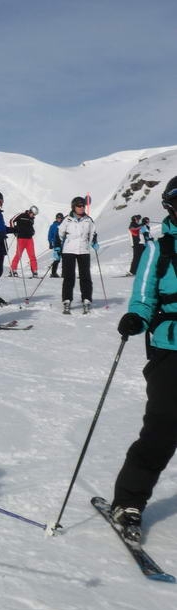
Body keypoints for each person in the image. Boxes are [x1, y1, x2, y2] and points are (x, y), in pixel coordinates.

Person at [108, 176, 177, 543]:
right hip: (169, 347)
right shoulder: (158, 250)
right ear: (169, 206)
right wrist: (137, 316)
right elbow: (145, 294)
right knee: (163, 428)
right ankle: (128, 501)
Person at [58, 196, 98, 314]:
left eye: (83, 206)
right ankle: (67, 300)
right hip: (69, 250)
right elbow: (60, 233)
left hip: (83, 250)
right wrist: (57, 247)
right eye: (79, 206)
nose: (81, 208)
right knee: (69, 276)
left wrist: (93, 242)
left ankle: (86, 299)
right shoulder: (68, 219)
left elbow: (93, 233)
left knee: (85, 276)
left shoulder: (88, 220)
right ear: (73, 207)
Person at [9, 205, 40, 277]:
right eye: (33, 214)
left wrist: (32, 231)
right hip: (21, 238)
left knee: (32, 255)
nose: (33, 215)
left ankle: (35, 271)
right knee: (18, 255)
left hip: (29, 239)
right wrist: (14, 230)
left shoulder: (32, 219)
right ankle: (13, 270)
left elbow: (30, 227)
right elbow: (12, 220)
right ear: (30, 211)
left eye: (35, 215)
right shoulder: (21, 215)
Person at [48, 212, 64, 278]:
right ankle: (53, 273)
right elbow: (50, 235)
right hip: (56, 244)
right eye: (58, 218)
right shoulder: (53, 226)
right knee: (57, 259)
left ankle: (64, 273)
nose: (59, 219)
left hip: (63, 245)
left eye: (60, 218)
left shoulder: (64, 225)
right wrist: (50, 243)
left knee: (65, 259)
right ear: (56, 218)